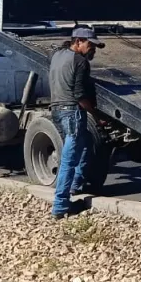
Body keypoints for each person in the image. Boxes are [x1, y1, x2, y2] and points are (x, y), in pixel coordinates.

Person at [48, 26, 105, 218]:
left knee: (86, 142)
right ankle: (60, 206)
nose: (93, 50)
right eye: (91, 45)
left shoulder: (57, 55)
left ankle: (74, 186)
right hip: (72, 112)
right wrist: (96, 115)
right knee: (69, 161)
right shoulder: (80, 62)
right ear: (78, 41)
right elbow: (80, 95)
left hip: (56, 110)